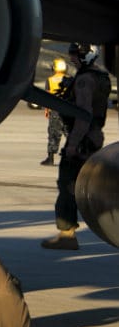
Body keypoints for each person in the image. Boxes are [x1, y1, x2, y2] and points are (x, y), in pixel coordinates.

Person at [41, 43, 111, 250]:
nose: (71, 59)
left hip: (82, 139)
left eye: (74, 55)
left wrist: (72, 144)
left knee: (68, 185)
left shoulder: (84, 81)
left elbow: (83, 114)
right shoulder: (101, 77)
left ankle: (67, 235)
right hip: (95, 137)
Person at [40, 58, 69, 166]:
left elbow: (48, 96)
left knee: (53, 134)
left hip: (55, 109)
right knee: (70, 134)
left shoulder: (50, 80)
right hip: (67, 109)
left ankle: (50, 158)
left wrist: (47, 110)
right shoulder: (69, 80)